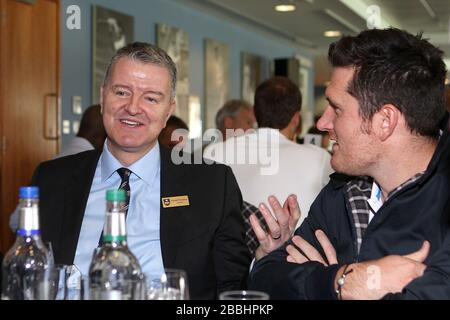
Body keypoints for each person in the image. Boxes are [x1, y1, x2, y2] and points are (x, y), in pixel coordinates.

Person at [27, 42, 251, 299]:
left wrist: (267, 258)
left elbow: (232, 287)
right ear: (102, 98)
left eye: (151, 98)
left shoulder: (211, 184)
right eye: (122, 92)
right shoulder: (51, 179)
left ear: (169, 111)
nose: (133, 108)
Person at [248, 28, 450, 299]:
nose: (322, 123)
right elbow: (264, 281)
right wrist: (341, 280)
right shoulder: (344, 191)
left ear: (385, 121)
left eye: (337, 108)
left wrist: (319, 283)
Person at [205, 76, 333, 258]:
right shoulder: (319, 158)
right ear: (296, 119)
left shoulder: (214, 151)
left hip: (224, 261)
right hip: (292, 264)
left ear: (255, 114)